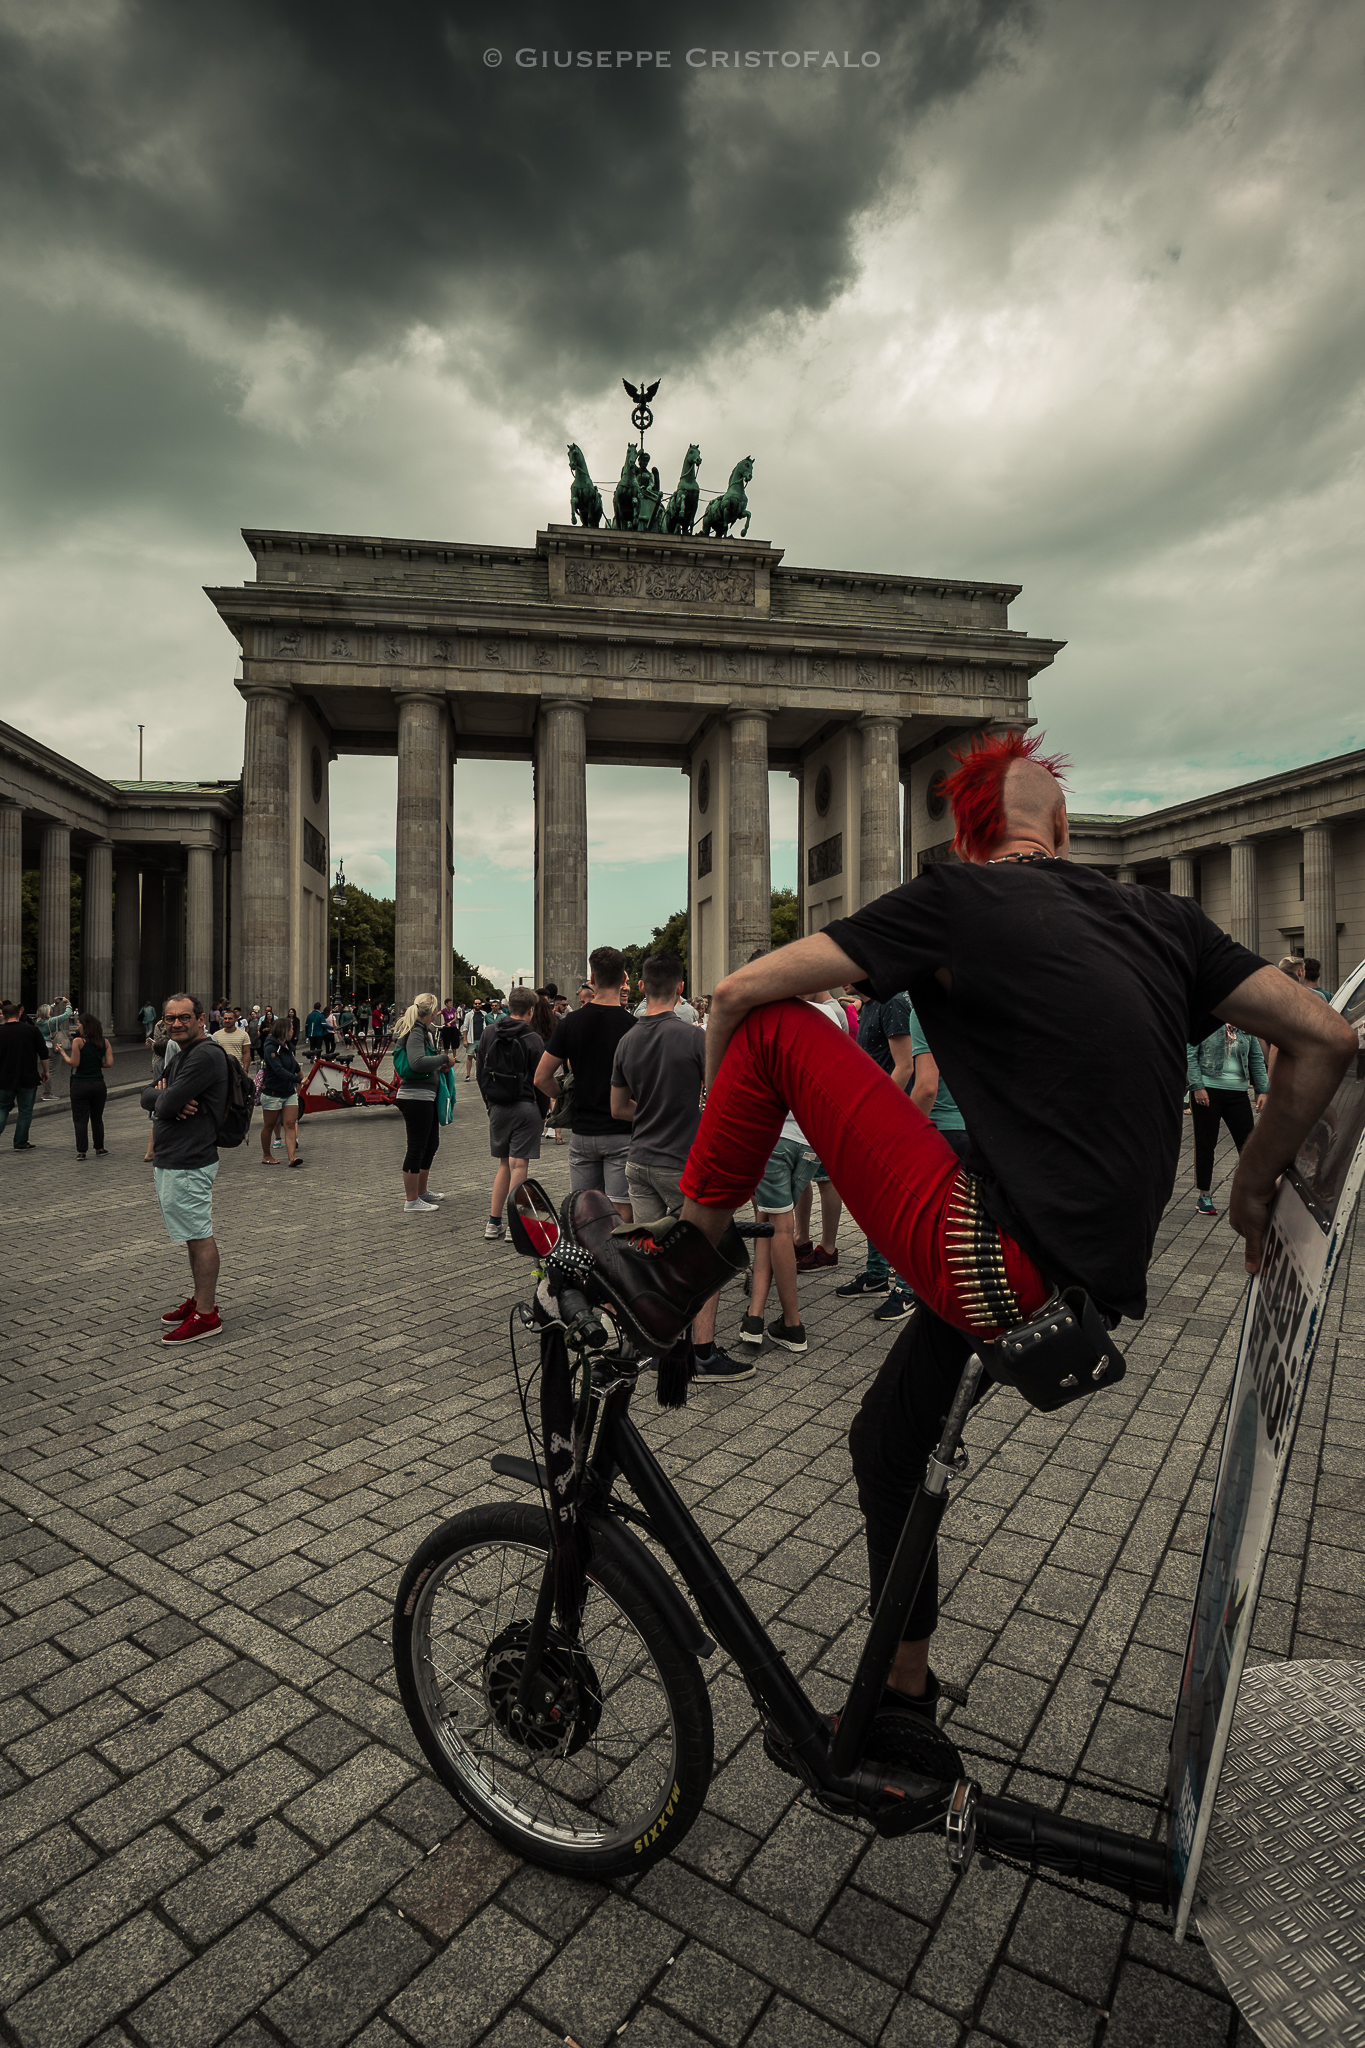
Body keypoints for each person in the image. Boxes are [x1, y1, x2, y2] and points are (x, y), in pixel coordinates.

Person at [574, 729, 1356, 1720]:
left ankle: (677, 1269)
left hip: (995, 1252)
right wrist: (1251, 1185)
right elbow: (1324, 1035)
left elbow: (735, 992)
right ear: (1061, 829)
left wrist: (714, 1147)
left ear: (967, 836)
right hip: (1079, 1275)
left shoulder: (958, 895)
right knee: (885, 1442)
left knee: (770, 1023)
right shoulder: (1166, 918)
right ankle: (903, 1700)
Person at [611, 951, 745, 1383]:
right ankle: (703, 1353)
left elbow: (618, 1107)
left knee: (652, 1257)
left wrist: (651, 1112)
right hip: (681, 1164)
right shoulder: (693, 1037)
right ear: (681, 988)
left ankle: (659, 1343)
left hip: (638, 1162)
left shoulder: (626, 1041)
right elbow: (720, 1096)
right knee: (706, 1257)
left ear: (642, 986)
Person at [738, 990, 849, 1356]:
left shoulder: (762, 1017)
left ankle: (793, 1324)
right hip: (809, 1139)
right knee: (767, 1224)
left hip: (775, 1136)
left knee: (777, 1229)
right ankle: (755, 1317)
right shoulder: (827, 1016)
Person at [140, 993, 230, 1345]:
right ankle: (199, 1299)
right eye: (170, 1018)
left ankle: (206, 1315)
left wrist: (166, 1100)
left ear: (201, 1019)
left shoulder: (205, 1055)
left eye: (184, 1017)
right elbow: (148, 1096)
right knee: (192, 1234)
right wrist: (164, 1098)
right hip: (175, 1157)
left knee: (199, 1233)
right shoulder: (181, 1052)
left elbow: (165, 1102)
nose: (176, 1023)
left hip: (189, 1159)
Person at [535, 947, 637, 1222]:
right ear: (623, 979)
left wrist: (565, 1095)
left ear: (592, 978)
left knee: (583, 1210)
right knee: (621, 1210)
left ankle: (587, 1250)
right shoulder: (634, 1026)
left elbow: (541, 1078)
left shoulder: (571, 1023)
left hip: (582, 1131)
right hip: (621, 1132)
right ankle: (616, 1250)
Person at [477, 987, 547, 1239]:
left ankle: (493, 1223)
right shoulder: (533, 1039)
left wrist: (489, 1104)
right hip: (525, 1105)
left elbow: (481, 1071)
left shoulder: (489, 1032)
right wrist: (542, 1112)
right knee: (520, 1165)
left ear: (508, 1007)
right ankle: (515, 1226)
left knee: (504, 1164)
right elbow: (539, 1080)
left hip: (497, 1106)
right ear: (531, 1010)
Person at [1187, 1024, 1268, 1216]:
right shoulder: (1204, 1023)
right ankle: (1204, 1195)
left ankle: (1251, 1195)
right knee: (1206, 1144)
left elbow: (1256, 1058)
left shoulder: (1245, 1026)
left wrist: (1262, 1089)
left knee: (1248, 1145)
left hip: (1238, 1093)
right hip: (1208, 1090)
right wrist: (1197, 1086)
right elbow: (1190, 1056)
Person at [395, 993, 453, 1213]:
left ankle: (421, 1191)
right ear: (433, 1012)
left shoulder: (423, 1031)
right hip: (415, 1097)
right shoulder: (417, 1031)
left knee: (430, 1144)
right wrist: (444, 1059)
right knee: (417, 1147)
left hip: (424, 1096)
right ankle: (411, 1200)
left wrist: (438, 1067)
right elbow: (417, 1063)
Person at [56, 1012, 114, 1157]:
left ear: (85, 1026)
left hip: (80, 1084)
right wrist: (95, 1064)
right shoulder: (105, 1042)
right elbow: (109, 1064)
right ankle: (100, 1148)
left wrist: (62, 1053)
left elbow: (74, 1063)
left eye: (79, 1024)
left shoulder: (78, 1041)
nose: (77, 1026)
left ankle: (82, 1151)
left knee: (80, 1119)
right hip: (98, 1084)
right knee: (97, 1118)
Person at [0, 1001, 49, 1150]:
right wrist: (46, 1071)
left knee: (2, 1108)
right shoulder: (31, 1030)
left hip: (4, 1077)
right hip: (28, 1076)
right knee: (25, 1111)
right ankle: (20, 1142)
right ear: (19, 1014)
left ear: (4, 1016)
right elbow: (43, 1053)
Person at [259, 1028, 305, 1167]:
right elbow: (279, 1070)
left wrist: (300, 1076)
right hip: (273, 1093)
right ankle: (266, 1155)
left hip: (289, 1093)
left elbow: (294, 1064)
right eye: (290, 1028)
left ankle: (292, 1157)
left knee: (290, 1124)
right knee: (269, 1125)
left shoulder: (287, 1047)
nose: (292, 1031)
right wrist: (297, 1080)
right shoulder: (270, 1048)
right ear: (283, 1030)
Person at [213, 1006, 252, 1072]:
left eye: (230, 1018)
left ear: (236, 1020)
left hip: (237, 1069)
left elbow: (246, 1053)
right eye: (225, 1018)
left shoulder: (244, 1035)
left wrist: (245, 1069)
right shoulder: (216, 1035)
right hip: (221, 1069)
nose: (227, 1021)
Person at [462, 998, 486, 1080]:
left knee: (479, 1058)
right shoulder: (469, 1015)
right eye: (476, 1004)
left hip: (481, 1039)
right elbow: (465, 1027)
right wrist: (465, 1040)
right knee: (470, 1057)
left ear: (481, 1005)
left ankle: (478, 1074)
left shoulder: (484, 1014)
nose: (477, 1005)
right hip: (471, 1039)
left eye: (479, 1003)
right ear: (473, 1005)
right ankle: (468, 1075)